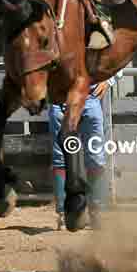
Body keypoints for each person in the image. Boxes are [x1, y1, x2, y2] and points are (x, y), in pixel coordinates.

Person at [49, 73, 121, 230]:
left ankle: (96, 212)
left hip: (88, 96)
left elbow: (120, 51)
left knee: (94, 156)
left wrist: (110, 79)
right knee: (62, 157)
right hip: (62, 99)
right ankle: (64, 214)